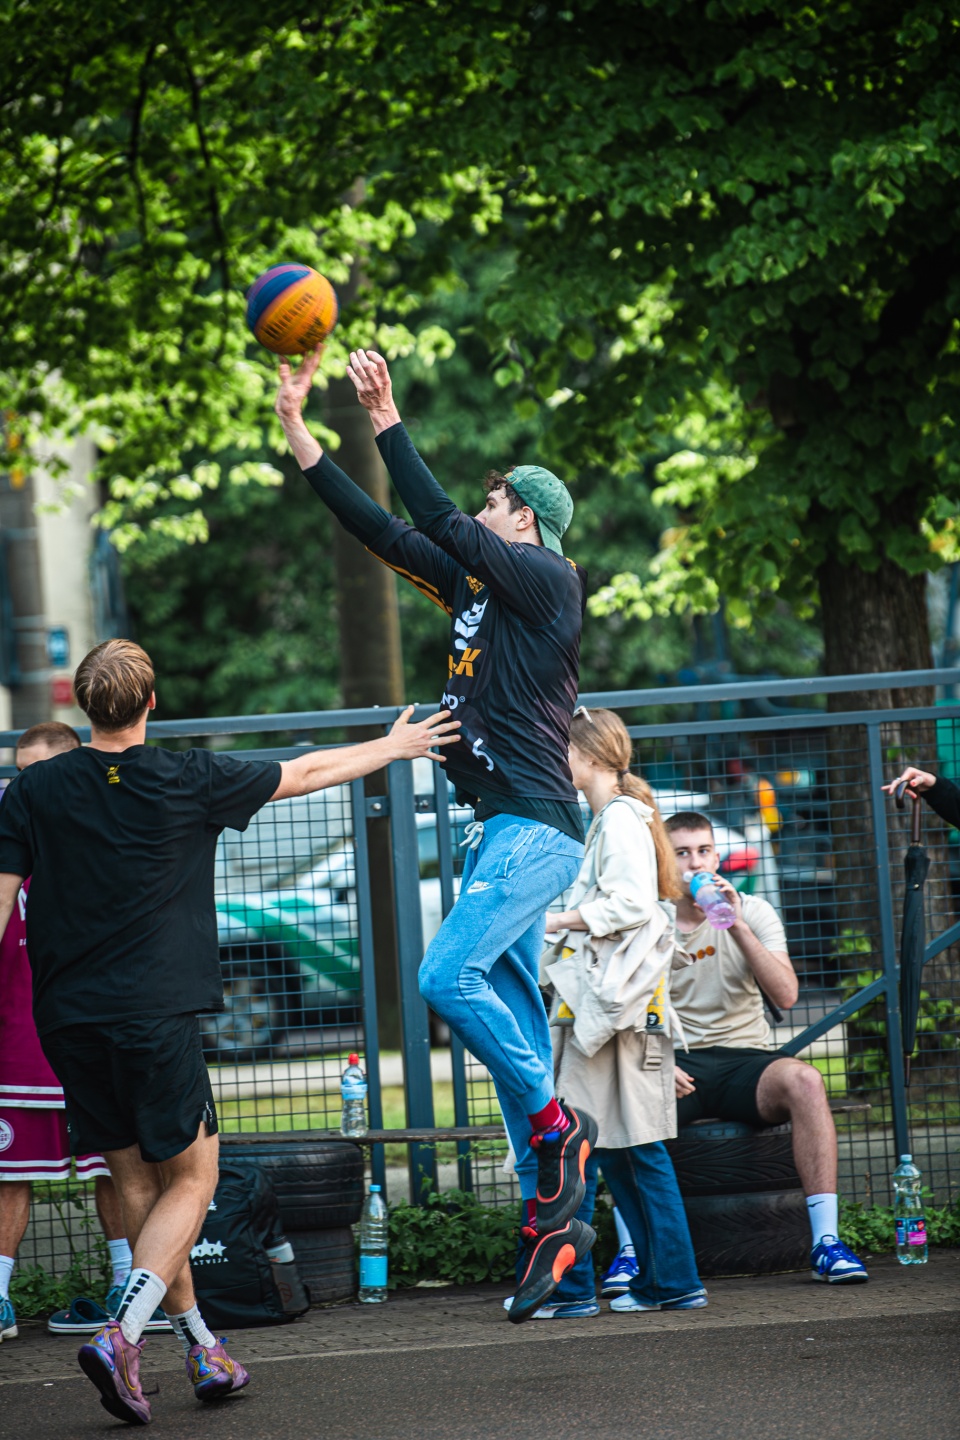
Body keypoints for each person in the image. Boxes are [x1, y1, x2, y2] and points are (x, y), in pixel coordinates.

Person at [0, 640, 458, 1423]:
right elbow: (306, 771)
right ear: (152, 703)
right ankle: (122, 1334)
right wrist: (393, 746)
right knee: (193, 1180)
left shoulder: (32, 789)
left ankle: (202, 1347)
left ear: (84, 704)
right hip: (156, 1012)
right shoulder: (188, 776)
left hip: (68, 1019)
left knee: (139, 1184)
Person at [275, 346, 597, 1321]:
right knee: (519, 1037)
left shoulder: (547, 580)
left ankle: (560, 1130)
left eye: (495, 501)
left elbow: (440, 517)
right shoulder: (474, 590)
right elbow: (383, 528)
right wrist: (299, 433)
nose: (482, 511)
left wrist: (385, 416)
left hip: (535, 830)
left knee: (444, 978)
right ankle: (562, 1246)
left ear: (523, 518)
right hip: (498, 834)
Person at [504, 707, 704, 1318]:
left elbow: (629, 905)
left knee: (587, 1149)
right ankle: (666, 1282)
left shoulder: (616, 819)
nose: (555, 759)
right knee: (621, 1151)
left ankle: (573, 1290)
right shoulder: (618, 816)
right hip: (615, 1014)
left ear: (588, 756)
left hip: (610, 1015)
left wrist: (552, 921)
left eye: (561, 749)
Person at [616, 810, 866, 1286]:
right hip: (675, 1061)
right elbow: (621, 1007)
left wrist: (735, 925)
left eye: (704, 851)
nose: (695, 864)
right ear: (664, 861)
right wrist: (656, 1061)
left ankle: (826, 1243)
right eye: (681, 853)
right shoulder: (646, 918)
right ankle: (631, 1252)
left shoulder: (753, 910)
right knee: (624, 1098)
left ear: (717, 858)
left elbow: (786, 995)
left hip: (744, 1061)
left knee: (806, 1081)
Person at [0, 723, 156, 1343]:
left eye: (33, 773)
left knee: (117, 1168)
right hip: (21, 1042)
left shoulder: (106, 836)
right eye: (15, 774)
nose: (20, 786)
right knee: (9, 1172)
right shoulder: (8, 838)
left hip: (97, 1036)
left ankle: (128, 1287)